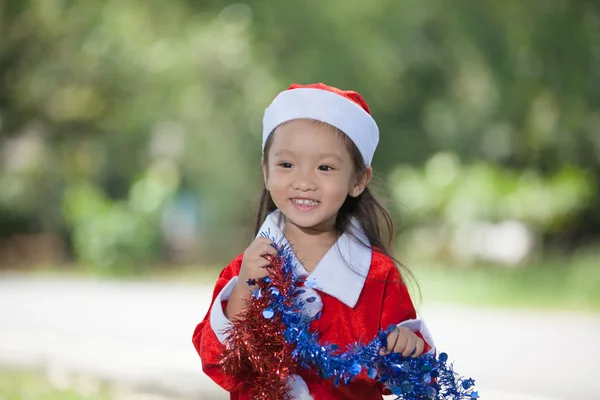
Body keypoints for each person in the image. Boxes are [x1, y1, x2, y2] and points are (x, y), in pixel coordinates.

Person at [192, 83, 435, 399]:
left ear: (358, 180)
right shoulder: (247, 268)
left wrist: (408, 346)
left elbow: (406, 382)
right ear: (266, 172)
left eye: (325, 167)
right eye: (287, 164)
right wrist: (245, 287)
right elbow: (220, 361)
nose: (304, 182)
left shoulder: (378, 275)